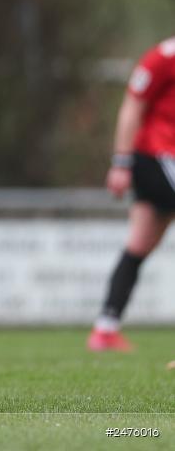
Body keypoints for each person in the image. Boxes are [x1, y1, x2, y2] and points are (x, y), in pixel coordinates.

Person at [88, 36, 175, 352]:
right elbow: (132, 106)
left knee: (140, 244)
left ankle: (105, 330)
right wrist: (121, 163)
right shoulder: (164, 57)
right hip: (156, 157)